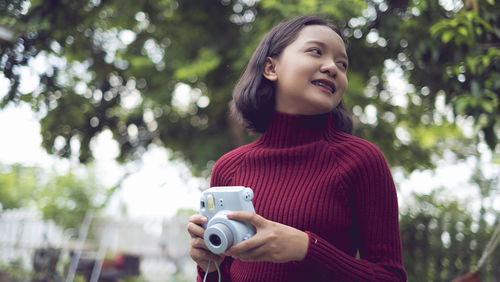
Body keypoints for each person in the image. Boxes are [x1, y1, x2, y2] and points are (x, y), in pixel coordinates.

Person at [187, 15, 407, 281]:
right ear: (271, 68)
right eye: (316, 52)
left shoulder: (362, 160)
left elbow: (389, 276)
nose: (332, 68)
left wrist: (305, 248)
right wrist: (209, 265)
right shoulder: (229, 167)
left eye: (342, 64)